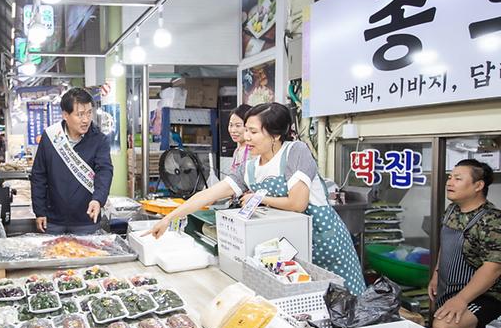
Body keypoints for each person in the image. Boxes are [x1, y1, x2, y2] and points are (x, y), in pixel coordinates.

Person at [148, 102, 366, 295]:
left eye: (253, 131)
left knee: (342, 300)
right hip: (287, 246)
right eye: (246, 131)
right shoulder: (249, 168)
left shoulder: (295, 152)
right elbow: (209, 194)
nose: (246, 137)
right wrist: (169, 218)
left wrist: (260, 198)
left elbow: (297, 203)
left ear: (275, 135)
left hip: (324, 241)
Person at [429, 159, 501, 328]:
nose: (449, 182)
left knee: (445, 326)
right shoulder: (452, 210)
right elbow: (447, 243)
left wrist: (461, 300)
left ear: (478, 186)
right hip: (451, 288)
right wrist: (436, 274)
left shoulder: (493, 220)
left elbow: (493, 268)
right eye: (450, 177)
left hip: (485, 295)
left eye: (458, 179)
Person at [31, 87, 113, 235]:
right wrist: (39, 210)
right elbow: (38, 175)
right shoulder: (51, 137)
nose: (86, 120)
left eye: (89, 113)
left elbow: (104, 172)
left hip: (87, 219)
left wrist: (98, 200)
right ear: (65, 115)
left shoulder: (99, 140)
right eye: (80, 114)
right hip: (53, 220)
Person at [228, 104, 252, 173]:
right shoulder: (237, 151)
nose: (233, 130)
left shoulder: (253, 151)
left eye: (238, 126)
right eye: (231, 125)